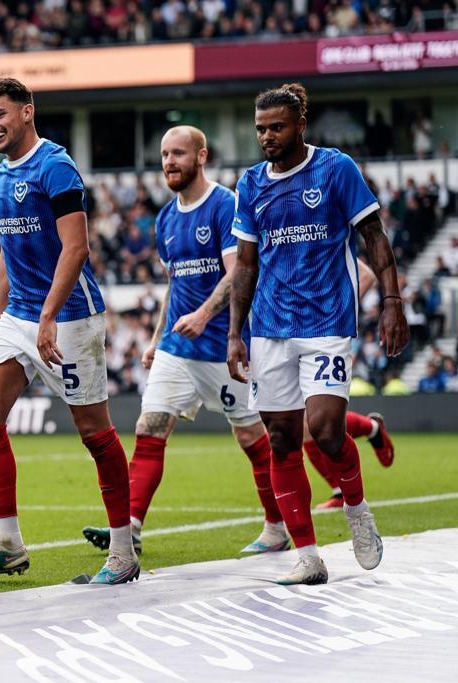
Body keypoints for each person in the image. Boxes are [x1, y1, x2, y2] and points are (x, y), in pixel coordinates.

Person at [0, 77, 138, 585]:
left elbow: (76, 248)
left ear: (28, 112)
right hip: (19, 317)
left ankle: (123, 553)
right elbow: (7, 259)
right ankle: (7, 544)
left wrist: (50, 316)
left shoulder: (54, 166)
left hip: (71, 317)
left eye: (0, 115)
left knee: (95, 435)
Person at [228, 83, 409, 585]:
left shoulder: (335, 170)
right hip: (268, 328)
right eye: (261, 128)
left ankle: (356, 508)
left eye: (277, 127)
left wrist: (391, 303)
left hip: (327, 321)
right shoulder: (250, 183)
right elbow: (245, 266)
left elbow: (374, 237)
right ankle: (308, 557)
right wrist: (234, 333)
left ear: (301, 124)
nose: (267, 136)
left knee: (326, 431)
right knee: (282, 441)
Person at [81, 125, 287, 558]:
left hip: (225, 347)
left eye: (178, 153)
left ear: (201, 156)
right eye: (164, 155)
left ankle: (277, 525)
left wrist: (204, 315)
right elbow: (174, 285)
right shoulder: (166, 217)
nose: (169, 162)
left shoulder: (225, 205)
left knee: (252, 438)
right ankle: (131, 527)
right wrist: (157, 339)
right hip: (179, 347)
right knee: (149, 427)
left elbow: (239, 273)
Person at [303, 259, 396, 509]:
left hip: (324, 338)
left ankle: (372, 428)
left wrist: (334, 316)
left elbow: (365, 275)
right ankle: (339, 490)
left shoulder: (323, 233)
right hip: (287, 334)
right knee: (305, 425)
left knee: (318, 420)